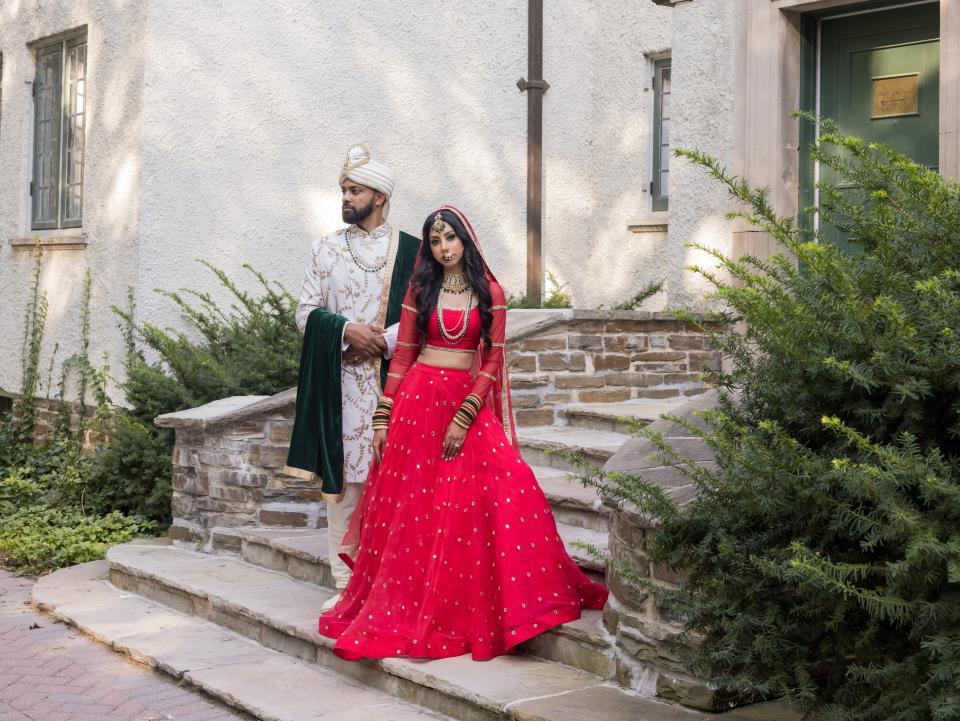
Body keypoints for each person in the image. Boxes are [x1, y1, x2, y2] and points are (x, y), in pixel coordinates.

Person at [318, 205, 607, 661]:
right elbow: (406, 353)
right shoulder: (422, 287)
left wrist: (466, 413)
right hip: (416, 405)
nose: (443, 247)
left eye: (450, 238)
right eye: (435, 241)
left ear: (465, 240)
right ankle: (419, 606)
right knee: (417, 511)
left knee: (509, 484)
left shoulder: (490, 291)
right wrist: (383, 414)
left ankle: (507, 597)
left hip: (463, 406)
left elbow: (492, 360)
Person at [284, 145, 419, 612]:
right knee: (346, 485)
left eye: (354, 190)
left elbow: (428, 312)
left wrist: (386, 338)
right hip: (340, 385)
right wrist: (345, 331)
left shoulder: (414, 252)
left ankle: (392, 579)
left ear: (379, 196)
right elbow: (305, 312)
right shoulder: (324, 248)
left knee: (395, 481)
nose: (345, 197)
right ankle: (346, 584)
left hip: (394, 384)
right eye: (343, 189)